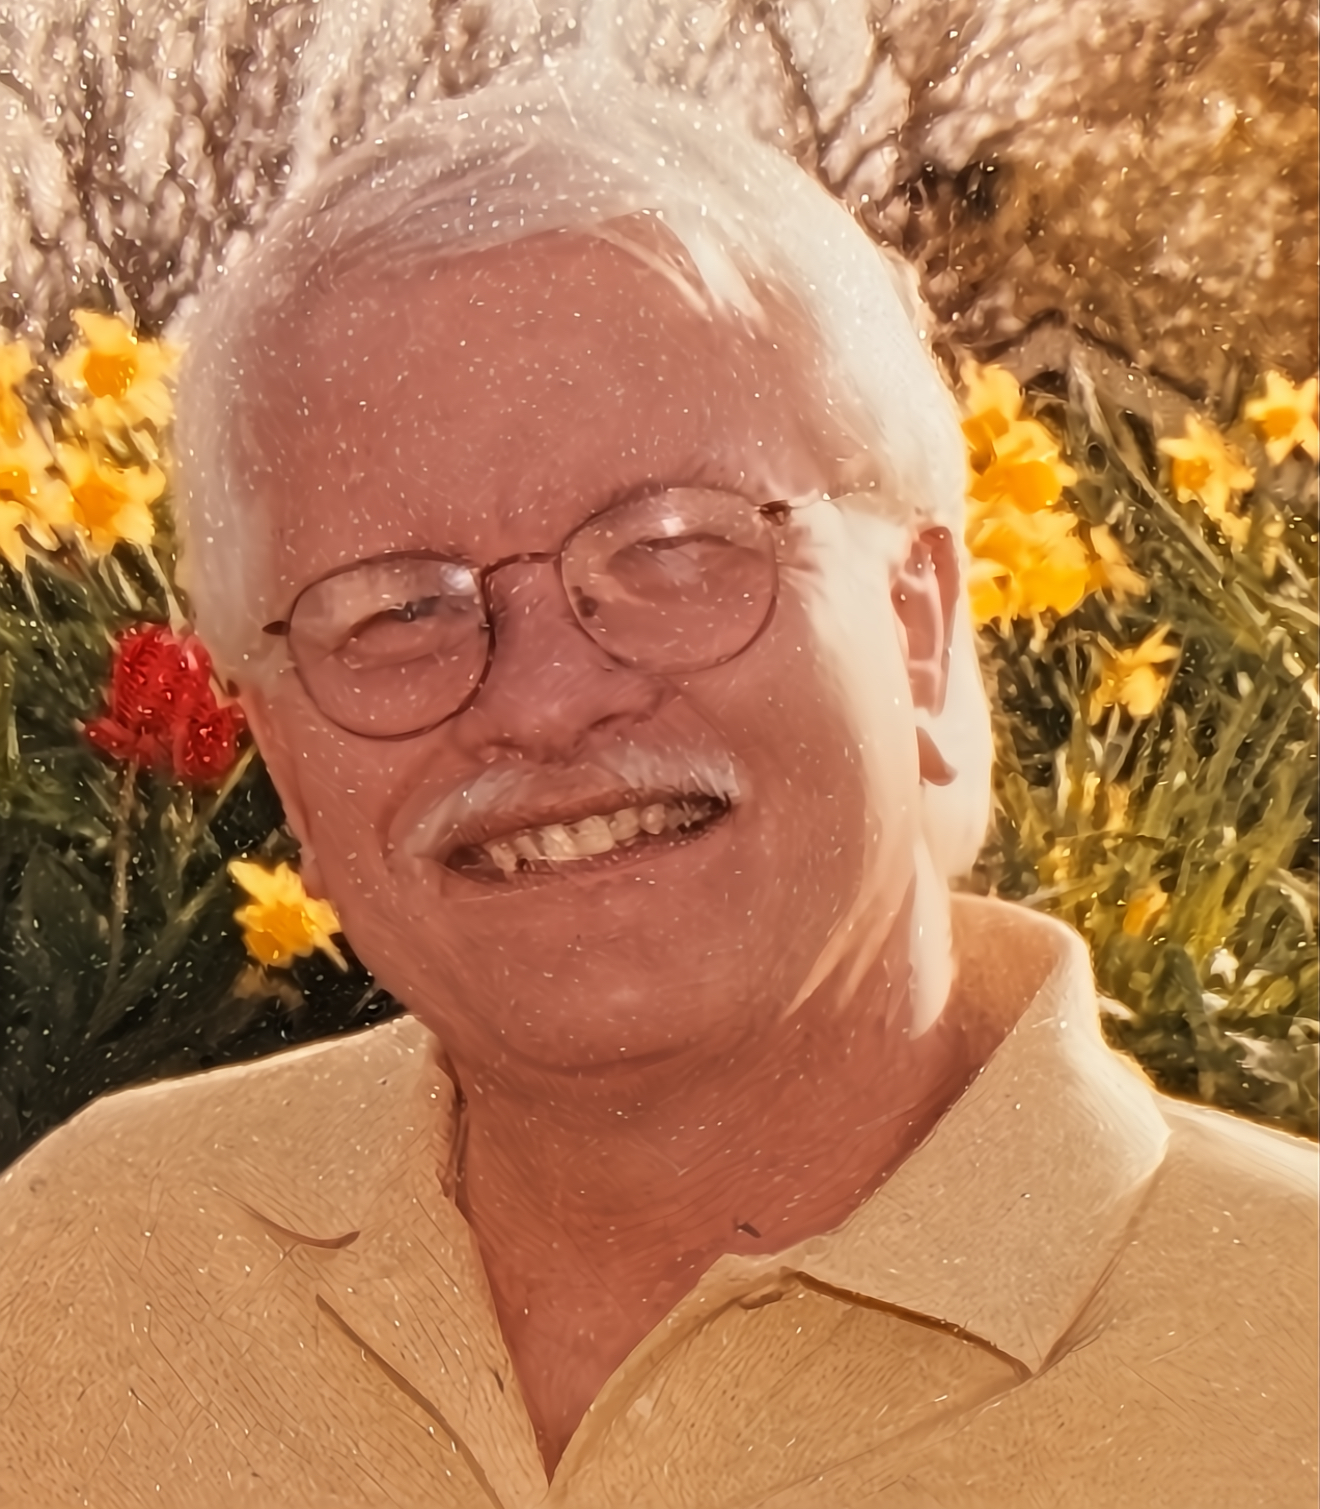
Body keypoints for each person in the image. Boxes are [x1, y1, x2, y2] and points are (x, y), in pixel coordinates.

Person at [0, 63, 1315, 1509]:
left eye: (674, 548)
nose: (544, 699)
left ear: (922, 631)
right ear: (286, 761)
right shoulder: (78, 1277)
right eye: (395, 609)